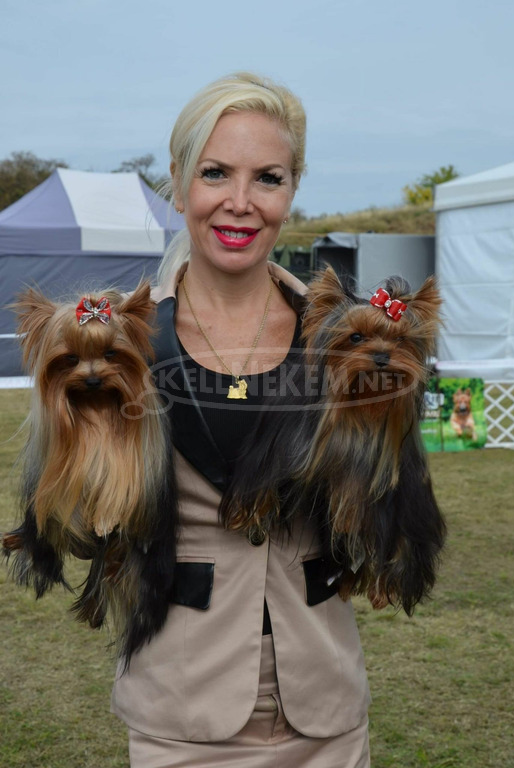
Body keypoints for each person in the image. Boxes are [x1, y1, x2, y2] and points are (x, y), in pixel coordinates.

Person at [111, 72, 371, 768]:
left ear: (292, 190)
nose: (240, 202)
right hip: (179, 712)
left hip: (325, 711)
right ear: (177, 183)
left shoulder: (341, 339)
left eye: (268, 178)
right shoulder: (121, 342)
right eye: (215, 173)